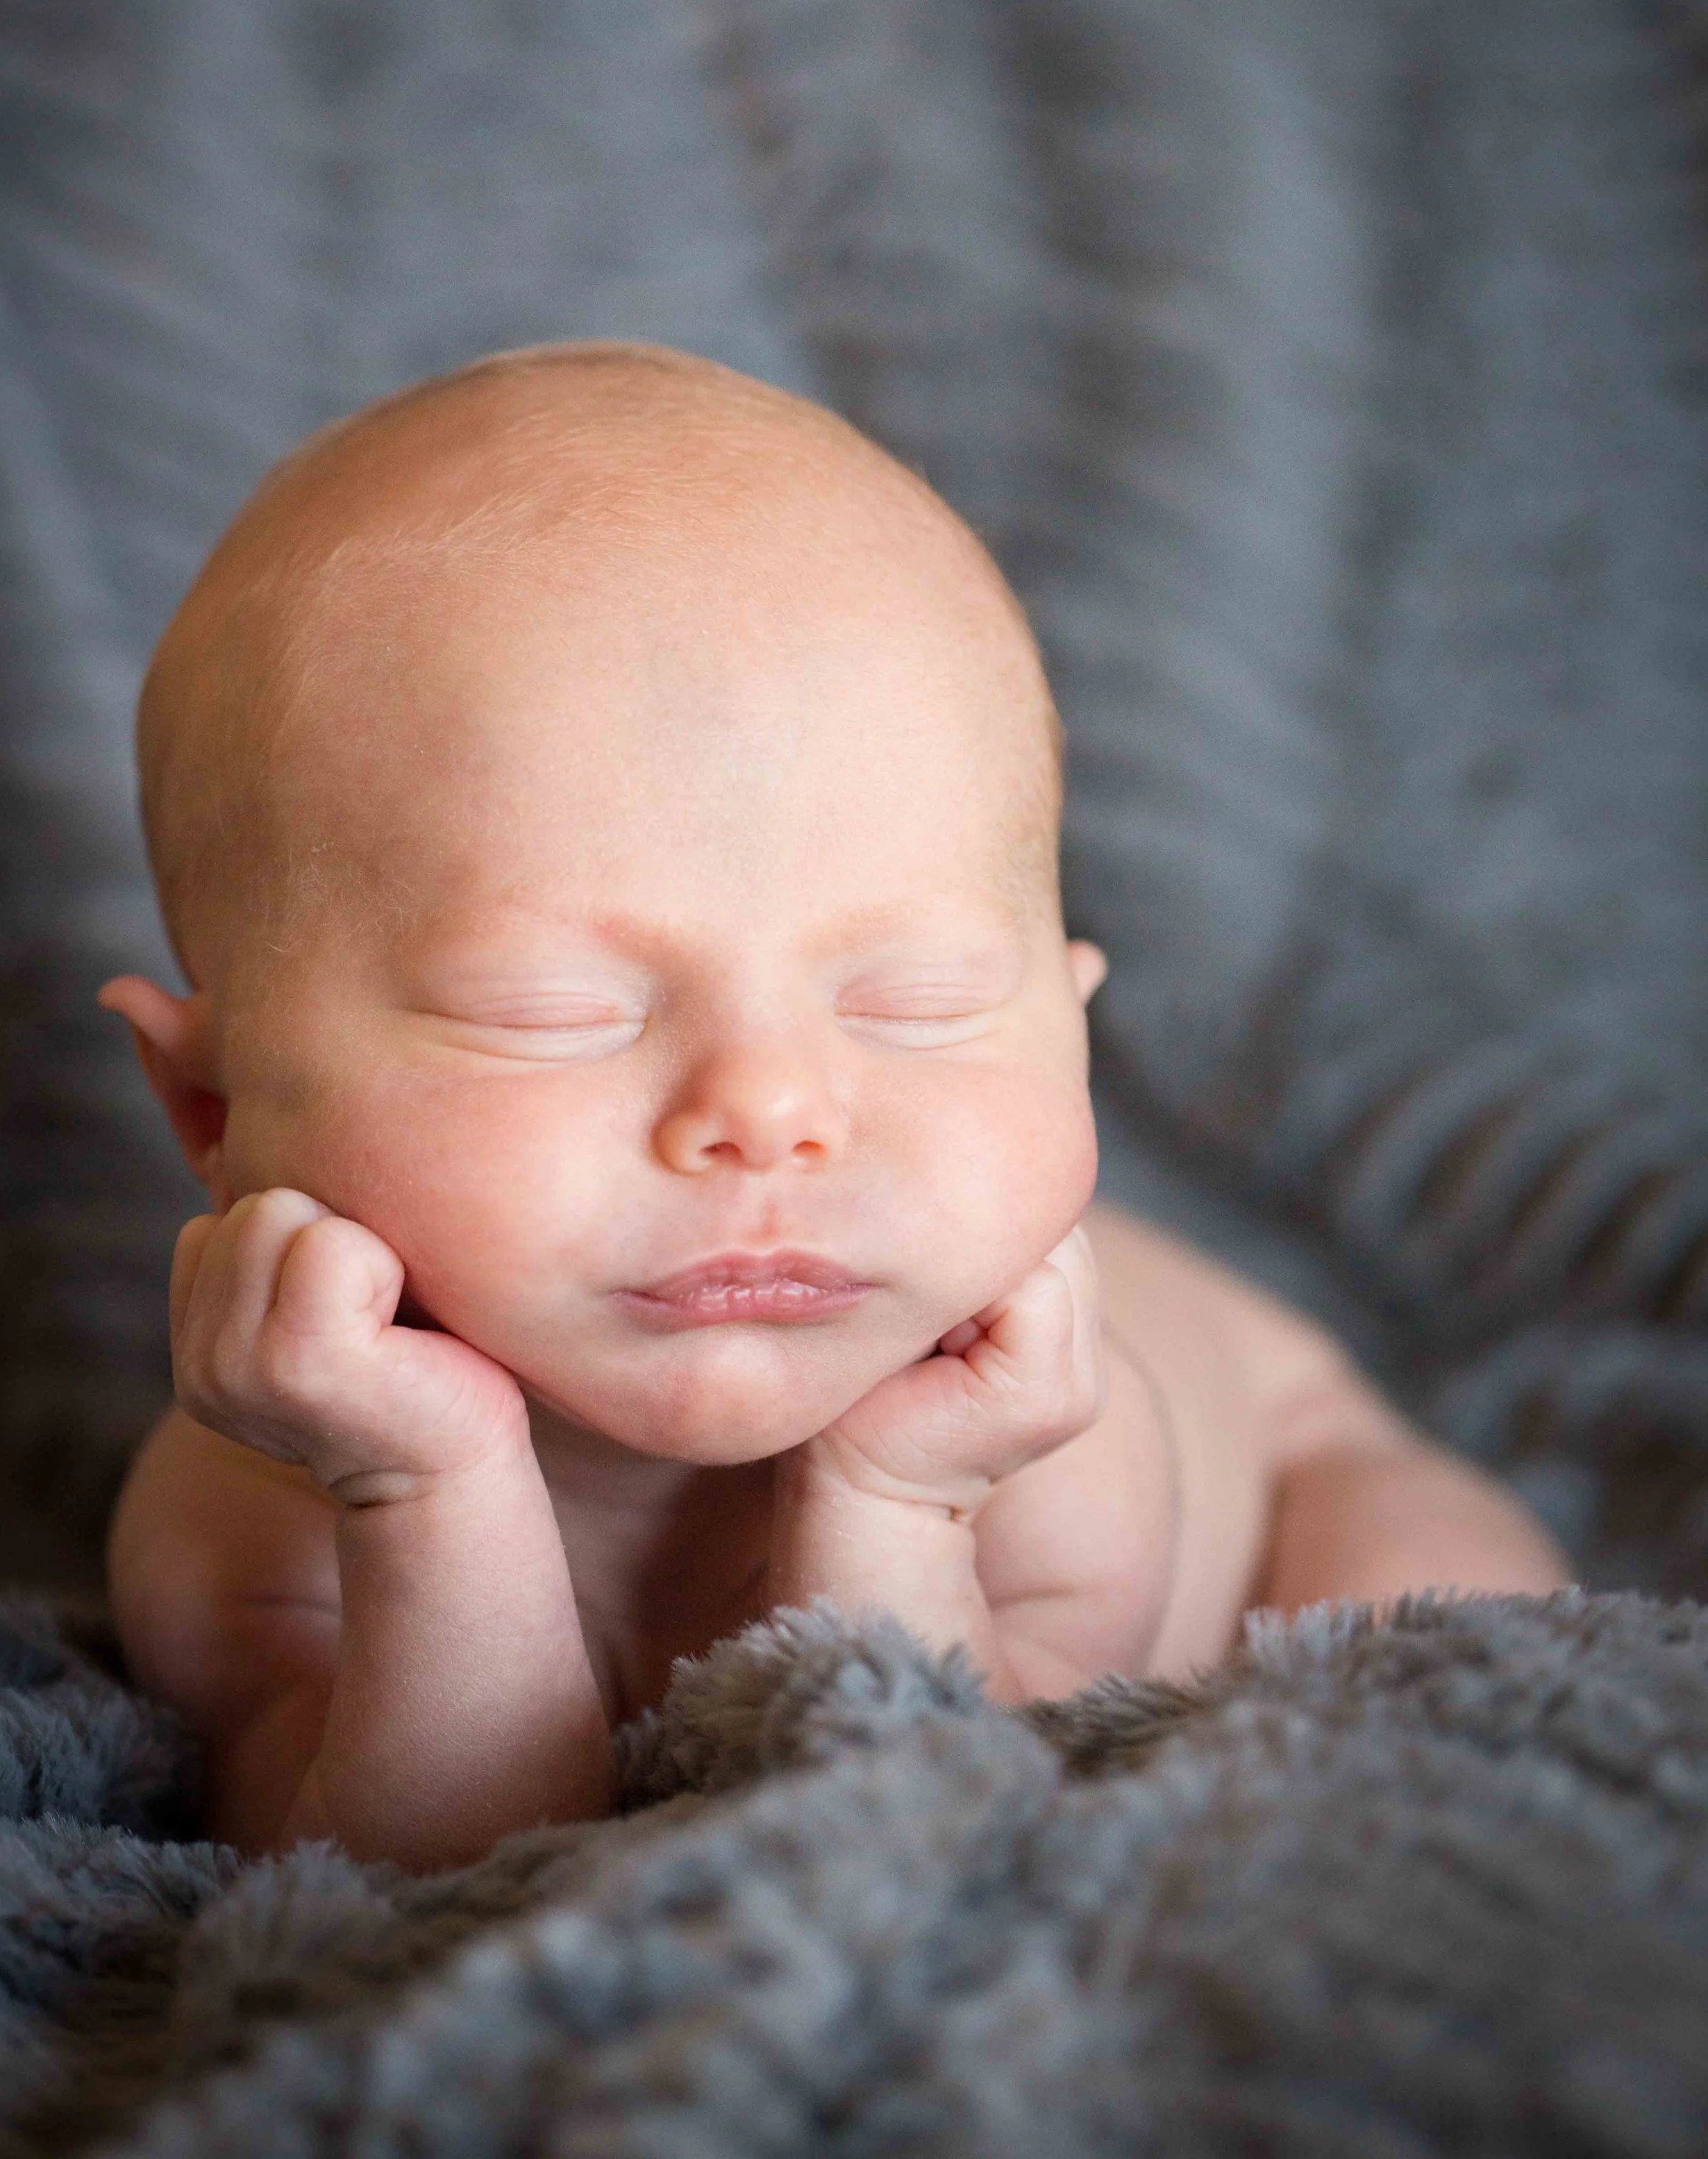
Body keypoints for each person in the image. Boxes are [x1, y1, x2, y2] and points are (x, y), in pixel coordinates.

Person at [101, 342, 1570, 1871]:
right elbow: (416, 1880)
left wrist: (898, 1506)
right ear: (212, 1108)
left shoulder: (1049, 1444)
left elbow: (962, 1838)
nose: (770, 1108)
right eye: (550, 1010)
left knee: (1436, 1614)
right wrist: (423, 1491)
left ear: (1063, 1025)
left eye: (914, 1000)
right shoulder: (240, 1523)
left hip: (1294, 1460)